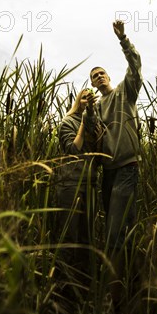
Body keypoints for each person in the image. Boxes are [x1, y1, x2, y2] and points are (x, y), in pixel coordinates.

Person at [88, 20, 143, 310]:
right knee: (125, 230)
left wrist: (123, 39)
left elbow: (135, 66)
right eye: (93, 76)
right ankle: (134, 287)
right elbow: (90, 141)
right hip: (107, 175)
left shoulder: (125, 94)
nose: (98, 77)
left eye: (101, 73)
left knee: (114, 235)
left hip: (126, 169)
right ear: (92, 84)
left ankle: (115, 299)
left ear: (108, 77)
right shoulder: (94, 110)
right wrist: (85, 110)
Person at [56, 88, 101, 272]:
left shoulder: (97, 123)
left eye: (90, 99)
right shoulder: (68, 121)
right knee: (68, 234)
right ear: (78, 102)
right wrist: (83, 121)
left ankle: (83, 280)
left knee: (86, 236)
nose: (87, 101)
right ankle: (62, 281)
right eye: (84, 98)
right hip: (71, 182)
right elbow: (73, 150)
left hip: (90, 183)